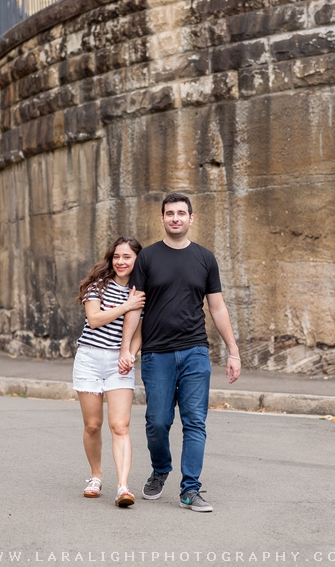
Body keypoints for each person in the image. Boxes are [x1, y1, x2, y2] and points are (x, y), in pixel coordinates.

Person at [118, 193, 242, 513]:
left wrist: (233, 350)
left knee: (195, 422)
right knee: (157, 422)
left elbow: (217, 306)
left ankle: (190, 489)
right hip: (157, 353)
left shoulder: (205, 258)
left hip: (195, 351)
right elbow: (135, 307)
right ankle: (161, 469)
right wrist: (126, 349)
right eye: (169, 213)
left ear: (191, 218)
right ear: (162, 219)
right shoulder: (147, 258)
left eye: (181, 213)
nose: (175, 218)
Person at [74, 237, 146, 507]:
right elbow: (94, 320)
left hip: (119, 363)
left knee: (120, 425)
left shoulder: (142, 293)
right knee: (93, 425)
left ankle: (123, 487)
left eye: (127, 257)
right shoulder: (98, 286)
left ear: (137, 259)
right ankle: (95, 476)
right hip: (90, 359)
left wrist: (130, 354)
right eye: (117, 256)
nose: (121, 261)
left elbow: (141, 330)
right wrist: (127, 306)